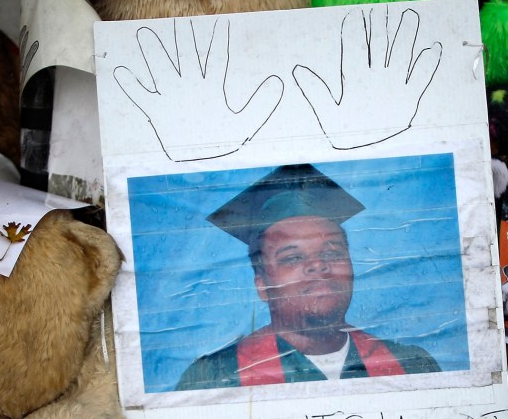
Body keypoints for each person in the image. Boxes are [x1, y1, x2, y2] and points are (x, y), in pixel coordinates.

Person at [175, 164, 441, 390]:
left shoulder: (412, 366)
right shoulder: (214, 379)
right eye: (292, 257)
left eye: (332, 251)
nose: (318, 265)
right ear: (262, 285)